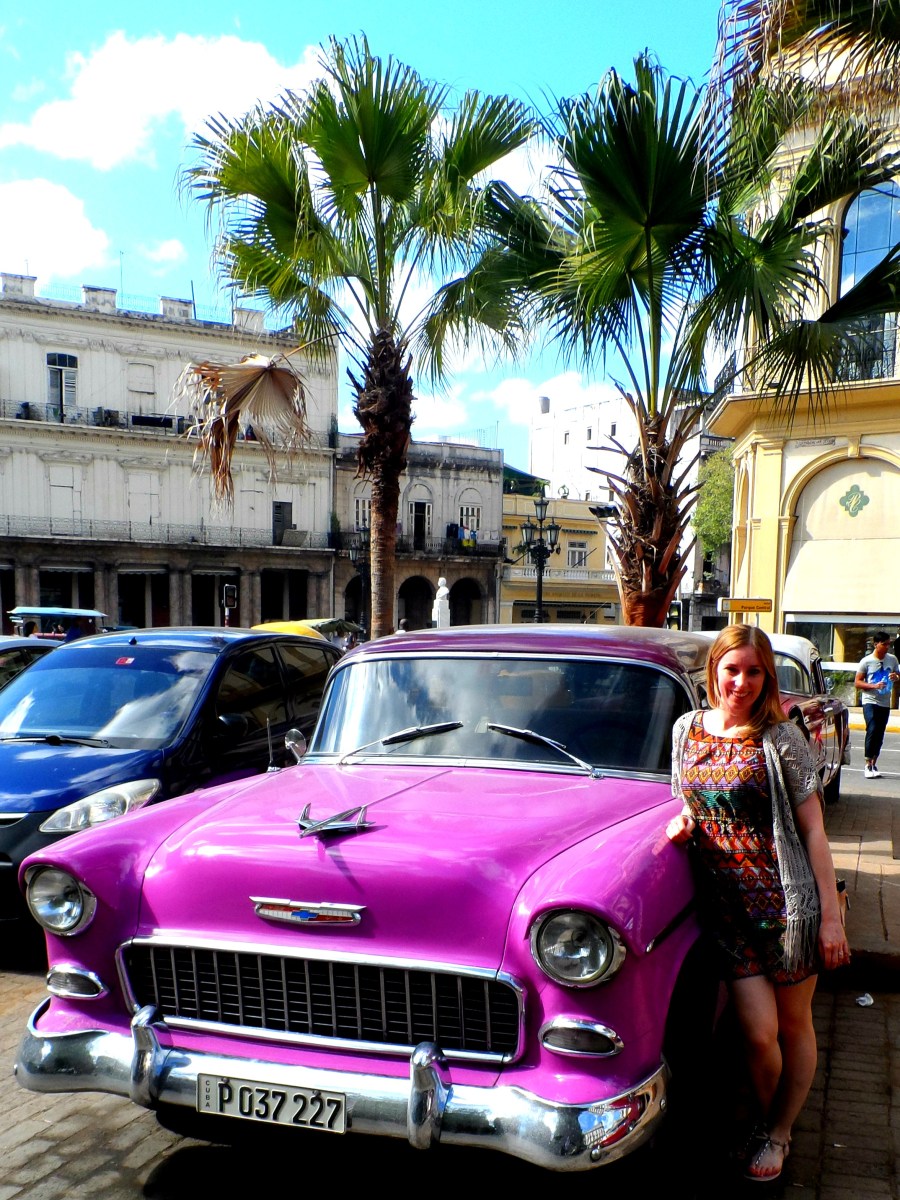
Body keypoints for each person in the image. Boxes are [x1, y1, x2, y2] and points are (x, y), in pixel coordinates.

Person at [666, 624, 848, 1183]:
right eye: (731, 669)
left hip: (788, 910)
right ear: (713, 671)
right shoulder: (687, 730)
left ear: (766, 675)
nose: (740, 682)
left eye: (753, 671)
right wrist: (683, 823)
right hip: (728, 913)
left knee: (793, 1029)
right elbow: (687, 797)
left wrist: (831, 917)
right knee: (756, 1034)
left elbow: (814, 831)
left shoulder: (780, 737)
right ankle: (766, 1119)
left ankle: (779, 1131)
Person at [854, 630, 899, 779]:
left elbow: (898, 674)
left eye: (888, 644)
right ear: (876, 644)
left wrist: (895, 676)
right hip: (870, 701)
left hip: (884, 702)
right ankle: (867, 764)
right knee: (872, 728)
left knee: (879, 733)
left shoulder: (892, 660)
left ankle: (874, 763)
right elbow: (857, 682)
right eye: (884, 644)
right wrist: (873, 686)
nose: (887, 647)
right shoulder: (866, 661)